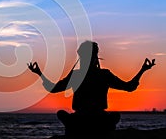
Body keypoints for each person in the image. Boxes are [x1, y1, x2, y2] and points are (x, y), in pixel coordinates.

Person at [27, 40, 155, 135]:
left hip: (83, 119)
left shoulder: (81, 75)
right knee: (114, 116)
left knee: (63, 114)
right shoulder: (101, 75)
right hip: (96, 118)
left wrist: (39, 73)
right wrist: (143, 70)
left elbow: (53, 88)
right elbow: (130, 87)